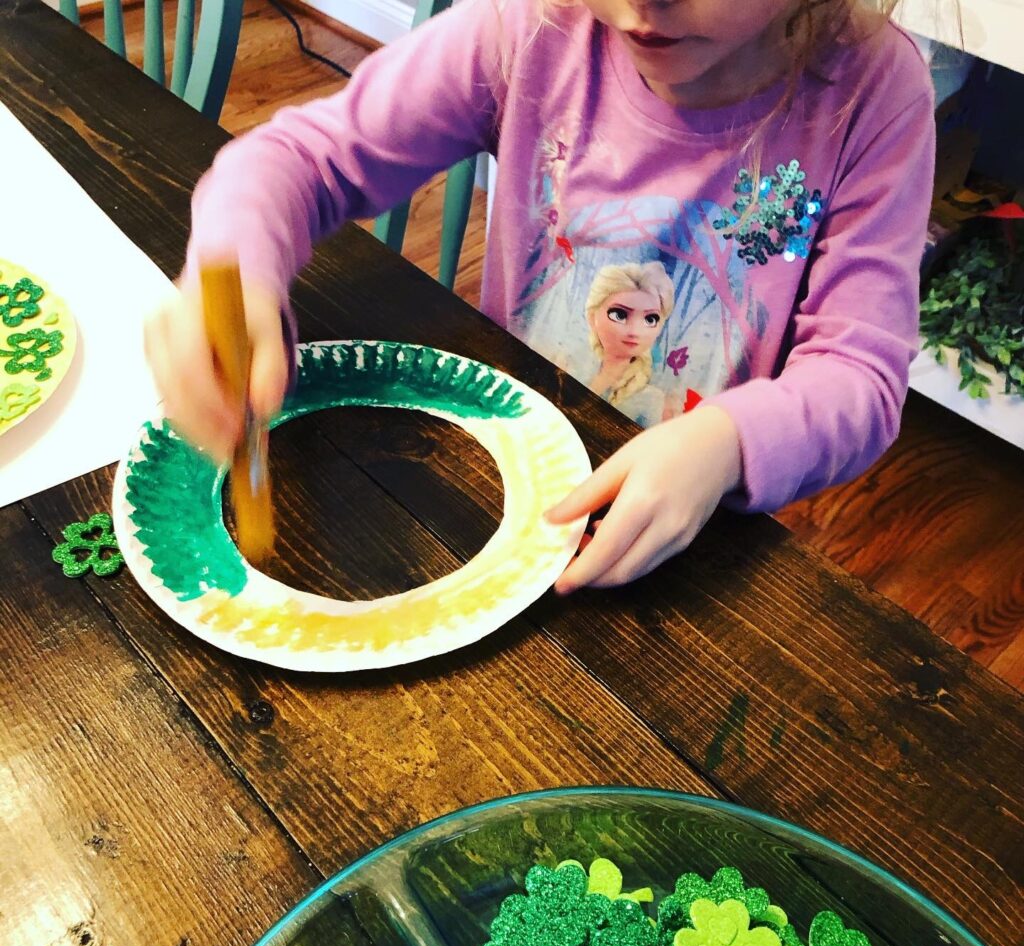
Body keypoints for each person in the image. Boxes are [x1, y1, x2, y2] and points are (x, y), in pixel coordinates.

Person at [144, 0, 935, 594]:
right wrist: (238, 265)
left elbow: (858, 375)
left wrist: (726, 443)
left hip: (688, 549)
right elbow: (298, 160)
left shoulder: (873, 91)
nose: (639, 4)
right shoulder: (531, 25)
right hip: (492, 492)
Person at [584, 262, 674, 428]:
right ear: (592, 317)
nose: (635, 331)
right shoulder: (574, 367)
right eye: (619, 314)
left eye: (650, 319)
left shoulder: (650, 399)